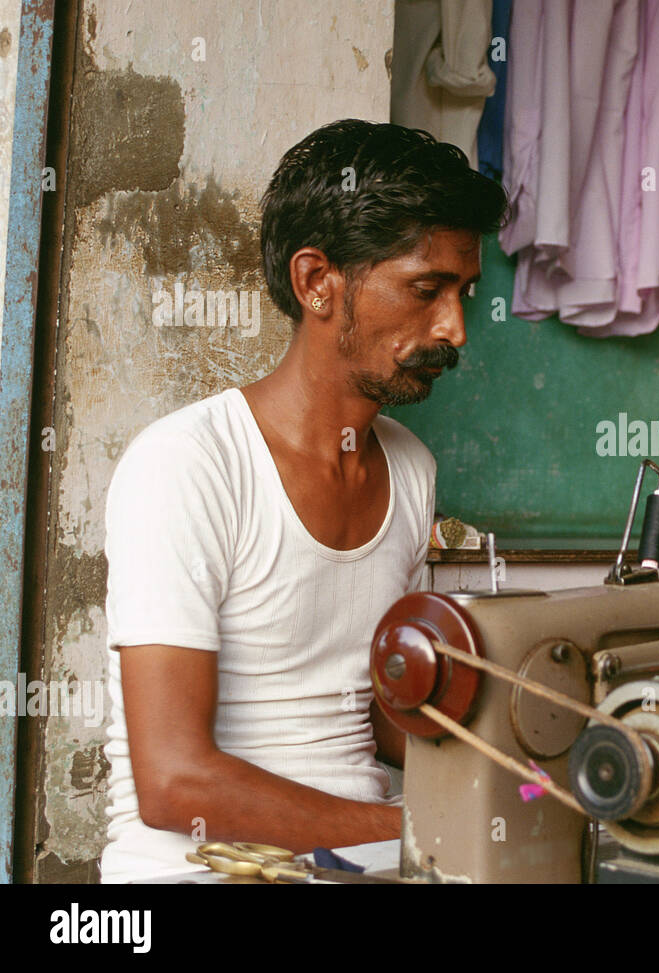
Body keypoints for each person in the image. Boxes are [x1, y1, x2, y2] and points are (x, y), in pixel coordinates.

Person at [99, 120, 509, 882]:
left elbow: (379, 715)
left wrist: (527, 757)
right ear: (317, 280)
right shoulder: (188, 466)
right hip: (202, 870)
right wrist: (417, 822)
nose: (454, 327)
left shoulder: (409, 468)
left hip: (366, 863)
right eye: (426, 289)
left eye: (464, 294)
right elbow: (173, 781)